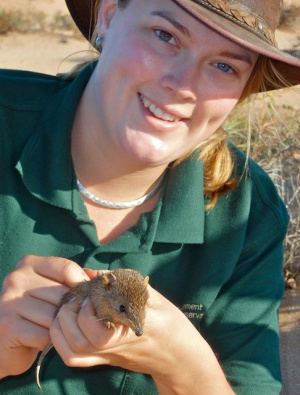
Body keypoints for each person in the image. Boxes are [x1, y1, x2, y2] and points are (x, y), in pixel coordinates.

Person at [0, 0, 299, 393]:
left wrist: (182, 362)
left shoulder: (248, 212)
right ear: (107, 14)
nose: (182, 85)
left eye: (225, 66)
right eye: (165, 35)